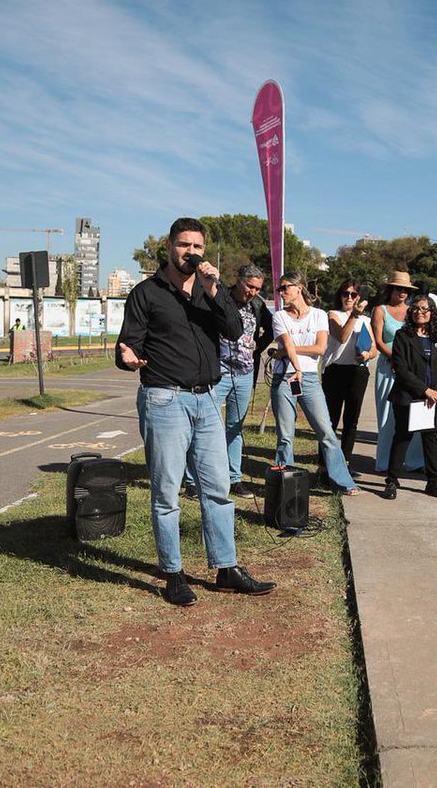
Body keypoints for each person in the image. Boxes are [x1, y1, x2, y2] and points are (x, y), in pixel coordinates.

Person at [116, 217, 275, 606]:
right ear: (169, 246)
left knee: (218, 489)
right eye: (184, 245)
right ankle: (173, 573)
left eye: (198, 247)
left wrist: (214, 289)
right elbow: (128, 344)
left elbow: (234, 331)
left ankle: (226, 568)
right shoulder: (146, 293)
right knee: (167, 492)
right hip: (165, 398)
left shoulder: (210, 291)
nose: (191, 252)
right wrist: (127, 358)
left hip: (208, 399)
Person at [270, 271, 360, 495]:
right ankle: (285, 484)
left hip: (309, 378)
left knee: (326, 431)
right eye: (279, 289)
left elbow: (320, 348)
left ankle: (342, 481)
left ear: (299, 288)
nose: (281, 292)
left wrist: (285, 352)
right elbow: (286, 343)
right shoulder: (279, 316)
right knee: (285, 434)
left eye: (285, 287)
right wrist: (290, 357)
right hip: (285, 377)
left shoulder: (319, 314)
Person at [209, 263, 272, 499]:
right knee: (206, 427)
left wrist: (258, 347)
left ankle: (233, 478)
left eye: (257, 288)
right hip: (218, 373)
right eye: (249, 286)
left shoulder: (258, 304)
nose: (252, 292)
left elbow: (271, 329)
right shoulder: (220, 296)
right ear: (239, 280)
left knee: (235, 428)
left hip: (244, 375)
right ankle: (195, 480)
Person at [382, 295, 437, 501]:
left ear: (432, 313)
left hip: (432, 399)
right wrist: (424, 390)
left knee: (430, 439)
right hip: (408, 396)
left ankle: (433, 481)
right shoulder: (403, 335)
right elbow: (401, 368)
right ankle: (392, 480)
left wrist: (436, 391)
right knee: (402, 437)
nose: (419, 312)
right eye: (415, 309)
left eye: (424, 309)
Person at [322, 278, 377, 476]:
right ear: (340, 295)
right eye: (346, 293)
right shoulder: (332, 315)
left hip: (357, 371)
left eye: (353, 294)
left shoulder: (366, 320)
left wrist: (367, 355)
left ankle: (345, 461)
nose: (349, 297)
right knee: (330, 419)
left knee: (351, 420)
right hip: (335, 371)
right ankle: (324, 464)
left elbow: (374, 347)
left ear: (358, 297)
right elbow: (342, 336)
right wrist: (354, 315)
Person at [371, 272, 423, 473]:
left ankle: (414, 461)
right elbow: (379, 341)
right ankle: (385, 462)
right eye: (398, 288)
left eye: (406, 290)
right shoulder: (380, 310)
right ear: (391, 290)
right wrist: (396, 359)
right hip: (388, 367)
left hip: (411, 368)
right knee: (387, 415)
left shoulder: (413, 311)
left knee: (414, 413)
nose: (402, 293)